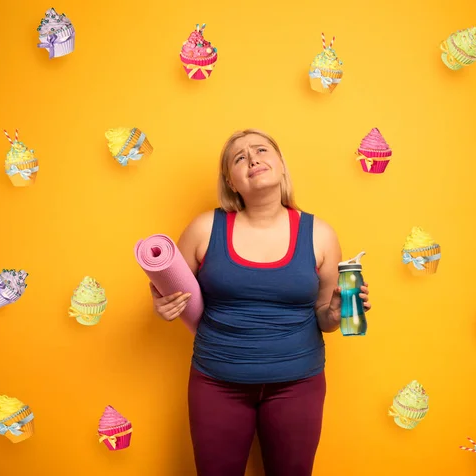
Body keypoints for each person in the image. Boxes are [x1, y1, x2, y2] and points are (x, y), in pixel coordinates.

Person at [149, 129, 371, 476]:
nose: (252, 158)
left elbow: (326, 319)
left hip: (298, 385)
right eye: (239, 158)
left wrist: (335, 311)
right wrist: (161, 305)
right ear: (231, 182)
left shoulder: (321, 234)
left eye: (261, 150)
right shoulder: (205, 228)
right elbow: (169, 286)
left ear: (281, 165)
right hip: (216, 383)